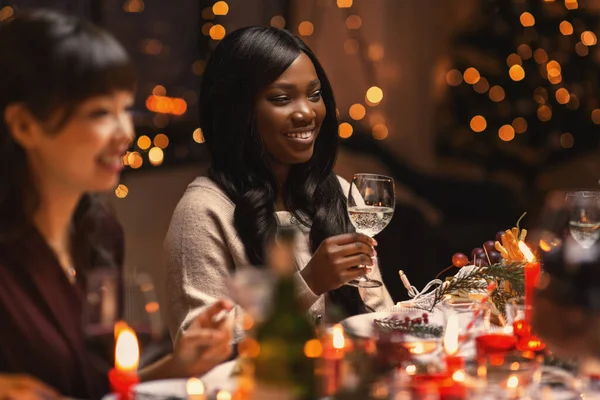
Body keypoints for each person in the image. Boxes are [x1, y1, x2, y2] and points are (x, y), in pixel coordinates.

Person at [0, 10, 232, 400]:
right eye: (100, 113)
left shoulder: (99, 230)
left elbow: (96, 390)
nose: (125, 132)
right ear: (24, 125)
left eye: (126, 108)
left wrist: (181, 364)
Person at [165, 26, 394, 343]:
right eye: (282, 98)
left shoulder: (337, 191)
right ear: (239, 112)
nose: (306, 113)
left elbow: (380, 316)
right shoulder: (204, 211)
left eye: (314, 95)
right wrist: (308, 282)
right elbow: (198, 344)